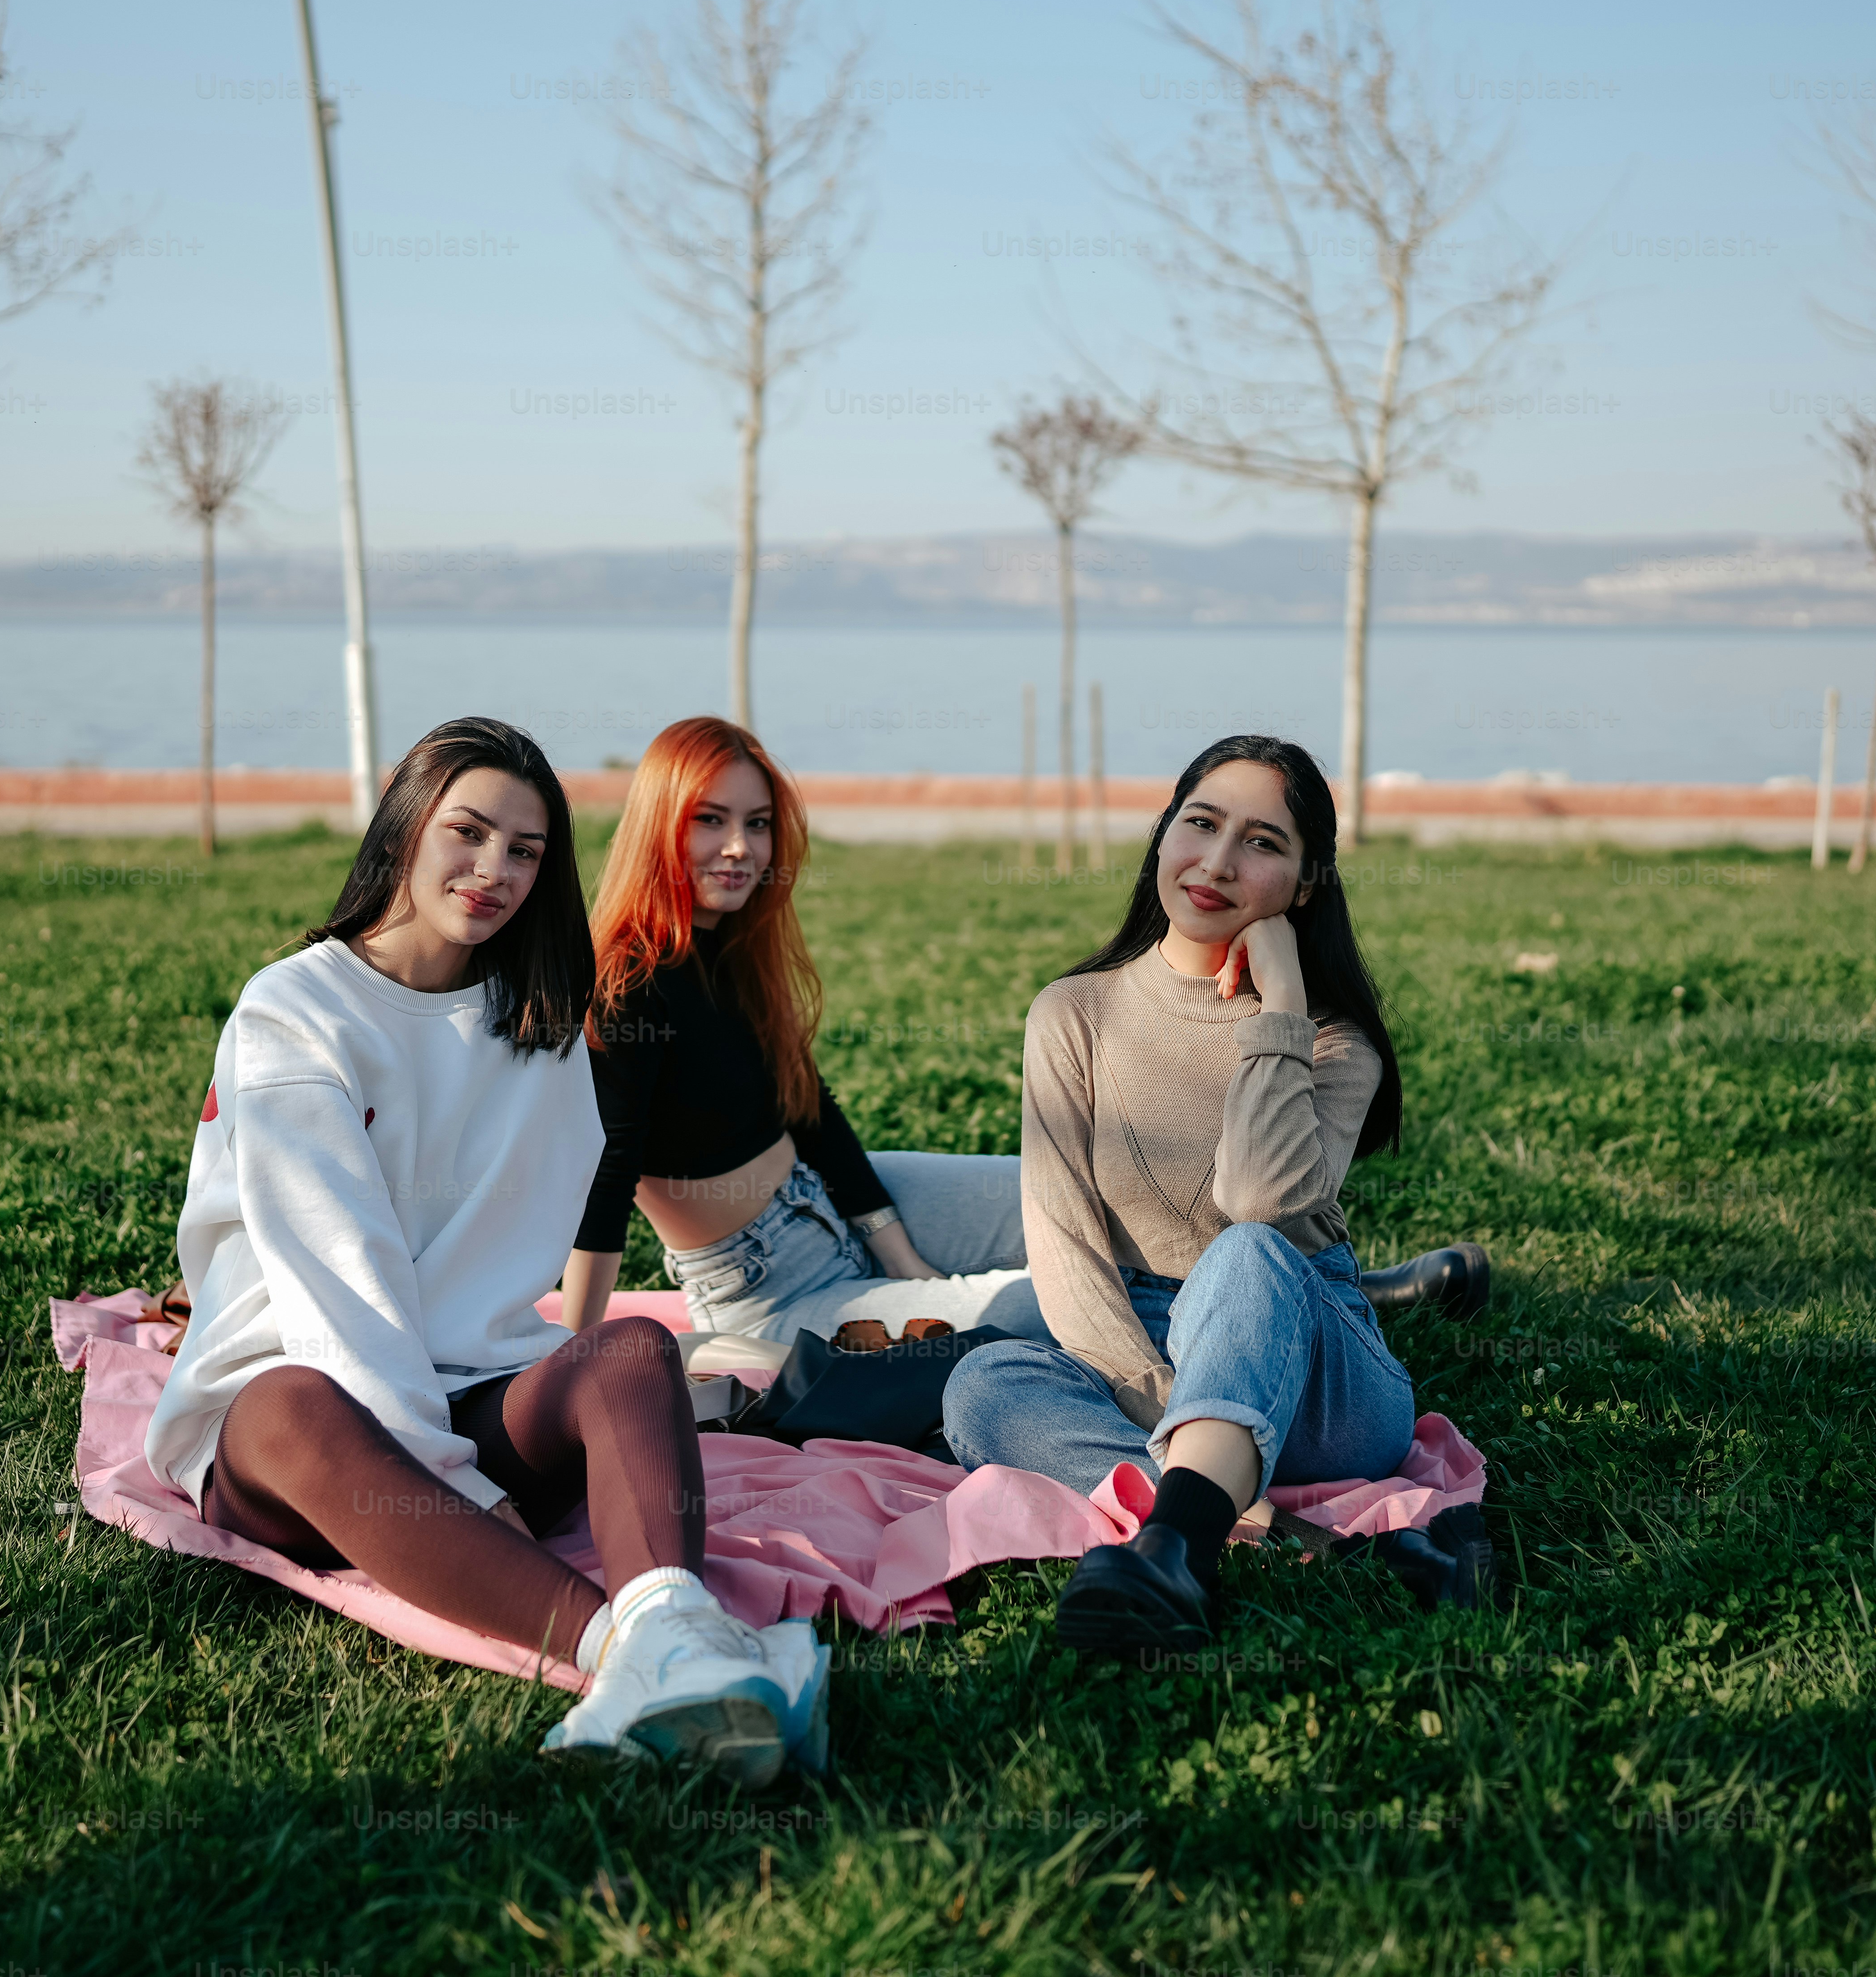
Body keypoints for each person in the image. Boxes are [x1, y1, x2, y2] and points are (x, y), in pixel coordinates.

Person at [144, 717, 823, 1788]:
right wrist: (444, 1474)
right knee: (287, 1402)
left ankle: (671, 1628)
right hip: (316, 1440)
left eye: (525, 850)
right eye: (467, 832)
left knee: (632, 1349)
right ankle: (631, 1654)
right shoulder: (296, 1011)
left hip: (475, 1401)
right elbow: (339, 1277)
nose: (494, 868)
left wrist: (480, 1443)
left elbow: (530, 1246)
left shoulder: (538, 1023)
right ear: (406, 827)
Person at [941, 734, 1439, 1655]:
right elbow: (1065, 1246)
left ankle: (1173, 1549)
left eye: (1262, 842)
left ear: (1306, 883)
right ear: (1164, 833)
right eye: (1201, 824)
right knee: (983, 1382)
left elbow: (1259, 1202)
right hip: (1141, 1341)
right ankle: (1266, 1532)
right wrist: (1177, 1404)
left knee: (1245, 1252)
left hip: (1312, 1360)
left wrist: (1280, 1008)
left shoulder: (1335, 1044)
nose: (1216, 862)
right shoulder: (1074, 1014)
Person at [566, 716, 1045, 1345]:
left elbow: (812, 1112)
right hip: (771, 1293)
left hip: (830, 1203)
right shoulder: (625, 984)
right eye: (710, 820)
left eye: (757, 823)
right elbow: (606, 1177)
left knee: (1066, 1197)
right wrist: (571, 1354)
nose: (739, 848)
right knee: (1043, 1308)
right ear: (659, 824)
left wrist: (901, 1258)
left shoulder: (737, 952)